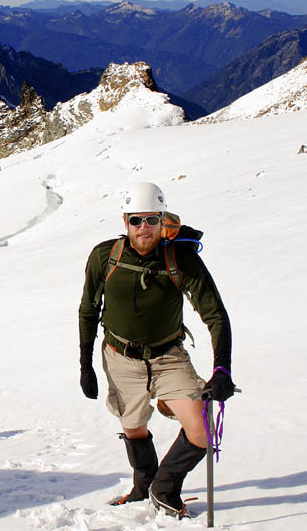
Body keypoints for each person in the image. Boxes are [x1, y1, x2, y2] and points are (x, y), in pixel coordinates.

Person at [77, 181, 234, 515]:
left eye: (151, 219)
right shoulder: (105, 256)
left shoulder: (181, 259)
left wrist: (222, 369)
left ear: (163, 220)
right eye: (136, 220)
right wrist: (85, 365)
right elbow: (88, 310)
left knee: (201, 430)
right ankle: (143, 485)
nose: (143, 228)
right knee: (133, 425)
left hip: (168, 357)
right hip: (120, 359)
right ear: (125, 222)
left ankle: (165, 488)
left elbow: (216, 315)